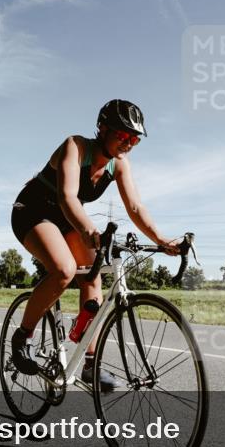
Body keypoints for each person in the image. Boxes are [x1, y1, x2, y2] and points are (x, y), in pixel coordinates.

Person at [10, 99, 179, 391]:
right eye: (122, 135)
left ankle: (89, 362)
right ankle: (22, 337)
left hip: (67, 219)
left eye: (134, 139)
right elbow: (67, 197)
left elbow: (135, 207)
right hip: (33, 211)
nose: (128, 143)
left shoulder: (120, 165)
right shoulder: (75, 146)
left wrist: (161, 240)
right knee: (64, 270)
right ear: (102, 128)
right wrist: (90, 229)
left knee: (94, 276)